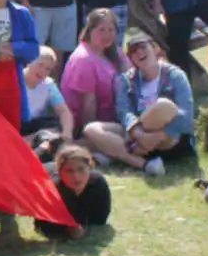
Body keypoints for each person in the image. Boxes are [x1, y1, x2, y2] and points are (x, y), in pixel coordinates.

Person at [83, 29, 194, 177]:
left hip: (170, 139)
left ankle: (113, 152)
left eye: (142, 47)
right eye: (133, 51)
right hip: (137, 136)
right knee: (91, 129)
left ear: (155, 48)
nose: (138, 53)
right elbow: (123, 111)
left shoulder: (175, 76)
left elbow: (186, 118)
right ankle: (145, 164)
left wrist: (160, 135)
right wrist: (139, 134)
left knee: (164, 106)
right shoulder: (126, 80)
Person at [60, 8, 129, 133]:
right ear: (89, 30)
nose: (107, 34)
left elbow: (131, 79)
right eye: (101, 30)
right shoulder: (84, 59)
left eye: (111, 30)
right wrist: (88, 135)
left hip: (117, 120)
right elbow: (88, 105)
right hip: (90, 127)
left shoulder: (115, 51)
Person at [34, 145, 111, 240]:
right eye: (69, 171)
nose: (76, 177)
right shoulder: (52, 188)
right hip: (41, 170)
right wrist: (67, 230)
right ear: (60, 172)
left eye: (81, 169)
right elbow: (41, 225)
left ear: (90, 168)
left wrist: (82, 229)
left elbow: (100, 219)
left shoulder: (97, 184)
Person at [22, 46, 75, 161]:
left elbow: (63, 111)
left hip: (36, 127)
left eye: (48, 69)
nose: (43, 71)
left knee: (54, 127)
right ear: (30, 61)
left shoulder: (48, 85)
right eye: (40, 65)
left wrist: (67, 133)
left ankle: (37, 148)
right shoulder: (16, 79)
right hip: (16, 124)